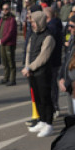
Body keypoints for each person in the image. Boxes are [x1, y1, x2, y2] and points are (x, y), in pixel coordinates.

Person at [22, 9, 58, 137]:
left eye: (34, 22)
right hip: (32, 73)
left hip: (43, 72)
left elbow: (43, 57)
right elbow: (28, 52)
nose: (32, 24)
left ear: (40, 21)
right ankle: (42, 120)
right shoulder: (33, 35)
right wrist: (27, 66)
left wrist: (30, 67)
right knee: (37, 98)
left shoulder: (48, 37)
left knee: (45, 98)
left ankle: (49, 124)